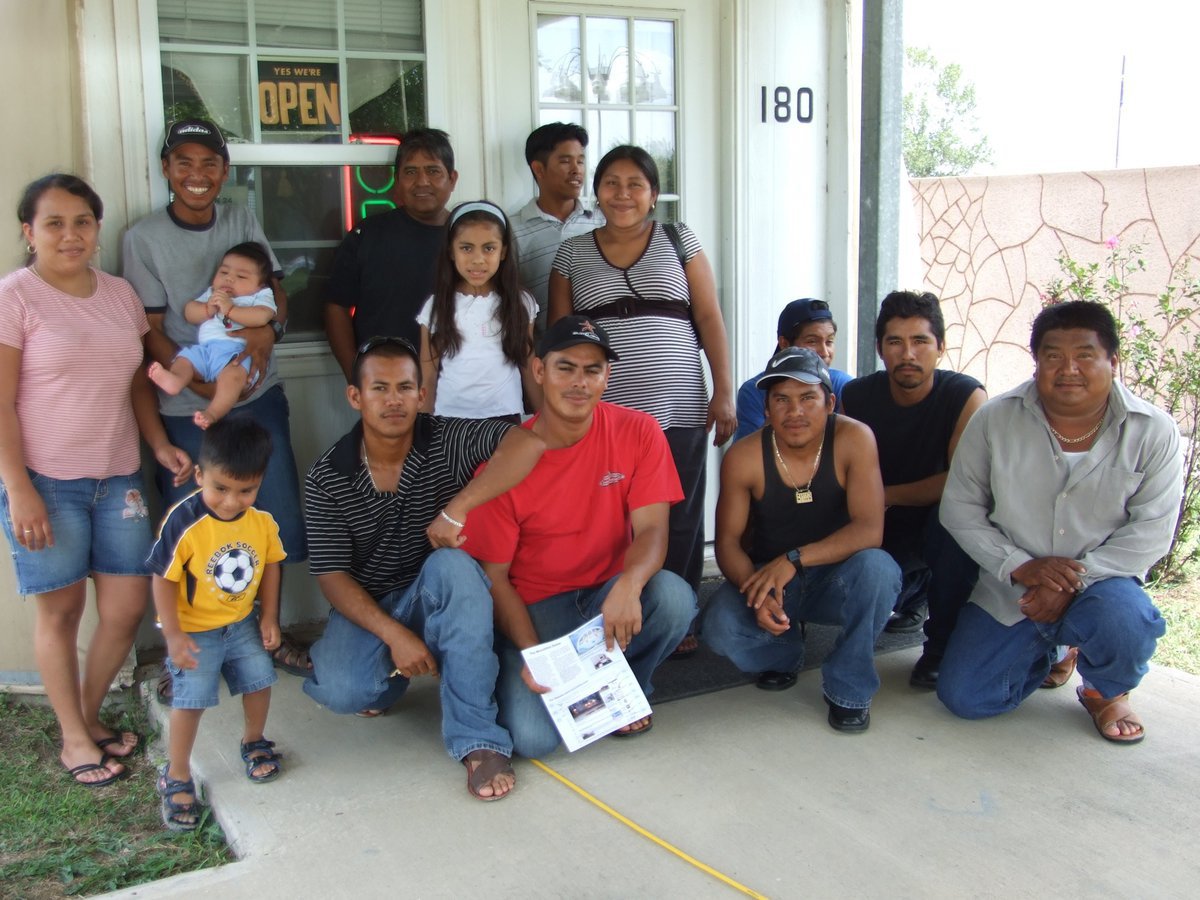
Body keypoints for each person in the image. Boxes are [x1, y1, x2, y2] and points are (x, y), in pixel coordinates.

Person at [0, 174, 191, 787]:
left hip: (119, 478)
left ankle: (82, 716)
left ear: (96, 229)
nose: (70, 234)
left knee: (126, 606)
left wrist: (158, 444)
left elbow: (136, 381)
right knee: (61, 612)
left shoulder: (119, 296)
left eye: (82, 221)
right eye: (54, 223)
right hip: (46, 480)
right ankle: (75, 739)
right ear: (29, 233)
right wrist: (18, 488)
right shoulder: (14, 298)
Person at [301, 336, 545, 800]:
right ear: (356, 396)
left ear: (421, 394)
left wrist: (459, 507)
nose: (393, 400)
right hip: (371, 605)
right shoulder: (328, 474)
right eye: (379, 388)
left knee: (455, 567)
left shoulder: (446, 438)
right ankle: (389, 681)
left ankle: (479, 742)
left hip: (437, 591)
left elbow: (527, 444)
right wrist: (395, 636)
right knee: (343, 690)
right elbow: (332, 577)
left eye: (405, 387)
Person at [938, 301, 1182, 745]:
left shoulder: (1154, 431)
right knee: (966, 698)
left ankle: (1103, 691)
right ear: (1036, 363)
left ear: (1112, 360)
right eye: (1053, 356)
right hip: (1013, 589)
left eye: (1085, 354)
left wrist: (1067, 583)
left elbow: (1151, 531)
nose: (1068, 368)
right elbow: (959, 508)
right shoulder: (994, 420)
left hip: (1103, 586)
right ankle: (1054, 648)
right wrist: (1021, 566)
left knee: (1127, 622)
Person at [122, 118, 310, 679]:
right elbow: (150, 328)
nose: (197, 175)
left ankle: (267, 636)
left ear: (225, 172)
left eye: (209, 164)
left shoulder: (240, 217)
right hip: (188, 402)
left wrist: (260, 340)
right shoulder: (143, 237)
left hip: (259, 394)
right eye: (184, 162)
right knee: (200, 527)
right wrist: (203, 384)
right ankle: (204, 644)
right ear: (166, 169)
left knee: (271, 515)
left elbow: (274, 294)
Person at [463, 316, 696, 756]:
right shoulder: (508, 462)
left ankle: (627, 687)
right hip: (538, 612)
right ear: (539, 371)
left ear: (607, 376)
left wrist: (628, 585)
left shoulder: (639, 431)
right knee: (534, 740)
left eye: (592, 370)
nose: (579, 382)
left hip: (607, 599)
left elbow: (652, 530)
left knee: (672, 596)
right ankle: (540, 676)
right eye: (565, 367)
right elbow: (494, 579)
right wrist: (534, 654)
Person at [548, 144, 736, 622]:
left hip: (680, 404)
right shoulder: (571, 253)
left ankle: (679, 609)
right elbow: (559, 340)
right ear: (597, 193)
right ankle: (619, 605)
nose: (623, 193)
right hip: (607, 412)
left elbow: (710, 316)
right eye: (611, 183)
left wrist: (725, 390)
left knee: (680, 512)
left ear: (653, 195)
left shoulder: (679, 239)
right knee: (610, 515)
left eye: (636, 184)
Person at [700, 348, 900, 732]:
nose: (795, 411)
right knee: (720, 628)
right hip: (771, 581)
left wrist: (792, 559)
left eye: (808, 397)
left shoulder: (855, 439)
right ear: (767, 409)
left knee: (879, 570)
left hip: (836, 577)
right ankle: (784, 653)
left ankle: (848, 688)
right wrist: (756, 592)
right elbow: (727, 542)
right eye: (782, 399)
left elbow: (869, 530)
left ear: (830, 403)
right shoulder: (744, 457)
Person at [840, 290, 986, 688]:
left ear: (941, 347)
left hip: (939, 519)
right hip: (875, 521)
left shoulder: (965, 396)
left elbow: (962, 483)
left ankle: (939, 648)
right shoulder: (855, 396)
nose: (908, 354)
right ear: (880, 349)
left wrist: (884, 496)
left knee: (953, 526)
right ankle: (904, 599)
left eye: (920, 341)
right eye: (895, 342)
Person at [149, 419, 286, 831]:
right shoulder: (184, 521)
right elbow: (162, 576)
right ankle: (176, 775)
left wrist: (269, 616)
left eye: (246, 491)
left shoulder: (260, 521)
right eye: (221, 488)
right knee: (190, 700)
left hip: (241, 622)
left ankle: (254, 741)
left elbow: (274, 564)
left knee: (260, 679)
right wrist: (172, 633)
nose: (231, 502)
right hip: (195, 631)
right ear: (199, 475)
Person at [324, 128, 459, 379]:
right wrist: (355, 373)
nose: (422, 182)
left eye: (433, 171)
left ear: (452, 179)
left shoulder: (469, 238)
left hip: (461, 386)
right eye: (410, 172)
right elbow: (337, 307)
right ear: (397, 180)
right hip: (388, 383)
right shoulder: (368, 234)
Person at [416, 201, 538, 418]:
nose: (478, 259)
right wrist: (423, 430)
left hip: (506, 419)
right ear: (451, 251)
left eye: (489, 248)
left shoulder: (520, 302)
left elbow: (529, 368)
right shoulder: (436, 306)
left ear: (503, 252)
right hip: (450, 422)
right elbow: (428, 375)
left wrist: (546, 419)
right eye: (466, 248)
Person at [148, 242, 277, 429]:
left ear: (260, 285)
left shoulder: (259, 296)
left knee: (232, 379)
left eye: (241, 276)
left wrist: (232, 309)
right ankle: (174, 380)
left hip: (238, 354)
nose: (229, 279)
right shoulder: (212, 294)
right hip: (207, 350)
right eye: (224, 272)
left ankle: (213, 412)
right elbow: (189, 312)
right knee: (185, 359)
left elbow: (262, 316)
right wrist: (207, 308)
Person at [511, 123, 604, 334]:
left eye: (580, 161)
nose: (577, 170)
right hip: (540, 353)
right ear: (539, 169)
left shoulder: (602, 223)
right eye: (565, 161)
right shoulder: (511, 231)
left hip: (598, 350)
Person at [733, 298, 853, 442]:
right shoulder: (754, 390)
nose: (825, 352)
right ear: (784, 343)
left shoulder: (843, 385)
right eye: (812, 341)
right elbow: (747, 454)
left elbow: (851, 445)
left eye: (829, 342)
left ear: (830, 402)